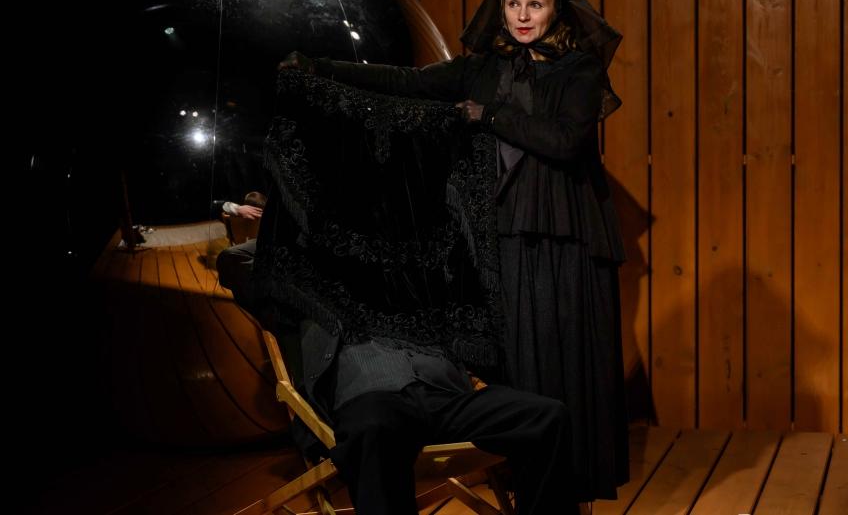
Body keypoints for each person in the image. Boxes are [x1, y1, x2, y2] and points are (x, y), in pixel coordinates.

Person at [280, 0, 628, 502]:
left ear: (555, 10)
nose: (522, 15)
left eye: (535, 4)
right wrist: (322, 69)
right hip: (501, 237)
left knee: (564, 359)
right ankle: (522, 486)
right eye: (513, 3)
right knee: (517, 361)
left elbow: (566, 142)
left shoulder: (579, 70)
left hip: (564, 238)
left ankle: (566, 493)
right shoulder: (481, 68)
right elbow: (408, 83)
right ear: (500, 8)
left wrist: (487, 115)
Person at [220, 72, 579, 515]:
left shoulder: (412, 254)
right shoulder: (308, 262)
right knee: (374, 429)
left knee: (548, 416)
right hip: (371, 398)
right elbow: (235, 261)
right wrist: (303, 232)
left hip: (445, 394)